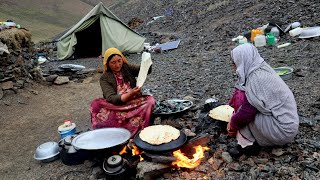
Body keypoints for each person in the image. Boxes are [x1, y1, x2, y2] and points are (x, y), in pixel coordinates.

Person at [227, 43, 299, 157]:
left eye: (234, 63)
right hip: (289, 123)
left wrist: (233, 124)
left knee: (243, 113)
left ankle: (247, 145)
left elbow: (246, 113)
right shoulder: (260, 68)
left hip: (283, 130)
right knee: (244, 108)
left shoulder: (256, 79)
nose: (234, 67)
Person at [90, 48, 156, 138]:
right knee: (95, 104)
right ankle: (109, 134)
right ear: (107, 64)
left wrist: (147, 62)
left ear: (122, 59)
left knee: (150, 101)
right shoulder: (104, 78)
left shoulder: (127, 68)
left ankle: (140, 131)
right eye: (113, 62)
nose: (117, 65)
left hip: (133, 102)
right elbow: (111, 98)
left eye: (119, 61)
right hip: (117, 105)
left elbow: (145, 70)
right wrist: (130, 94)